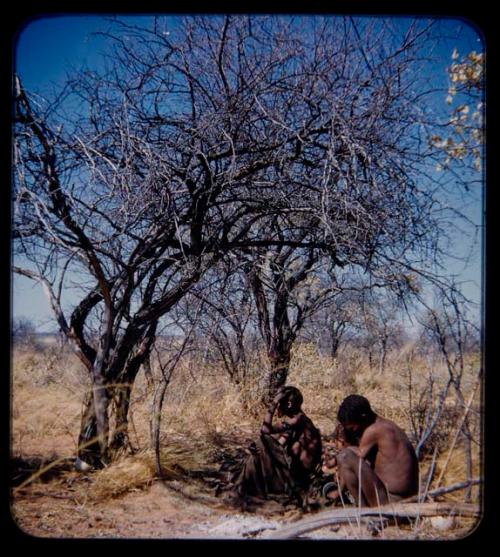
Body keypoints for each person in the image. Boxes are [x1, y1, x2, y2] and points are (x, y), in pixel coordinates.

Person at [323, 394, 419, 507]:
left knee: (345, 456)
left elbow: (351, 457)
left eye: (352, 429)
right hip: (407, 499)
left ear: (364, 417)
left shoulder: (374, 430)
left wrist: (338, 457)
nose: (353, 432)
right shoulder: (386, 426)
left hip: (392, 502)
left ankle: (363, 512)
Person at [233, 386, 322, 505]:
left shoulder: (299, 419)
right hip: (292, 476)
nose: (278, 407)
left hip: (298, 480)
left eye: (280, 403)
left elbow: (265, 431)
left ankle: (247, 491)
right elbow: (277, 444)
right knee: (258, 452)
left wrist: (273, 404)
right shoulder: (294, 423)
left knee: (264, 441)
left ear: (289, 404)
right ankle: (244, 488)